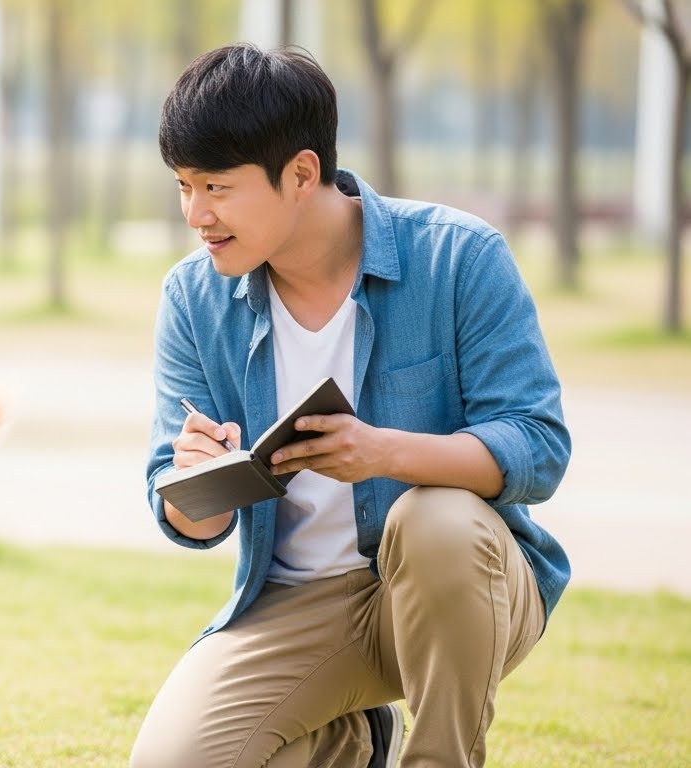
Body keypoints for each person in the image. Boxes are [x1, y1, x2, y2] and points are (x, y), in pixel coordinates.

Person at [130, 43, 570, 768]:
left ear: (302, 174)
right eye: (183, 186)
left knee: (434, 520)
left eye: (216, 187)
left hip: (462, 585)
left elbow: (538, 445)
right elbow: (184, 516)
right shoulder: (192, 296)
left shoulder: (457, 258)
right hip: (296, 603)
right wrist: (196, 481)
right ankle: (354, 740)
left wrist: (381, 452)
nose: (195, 214)